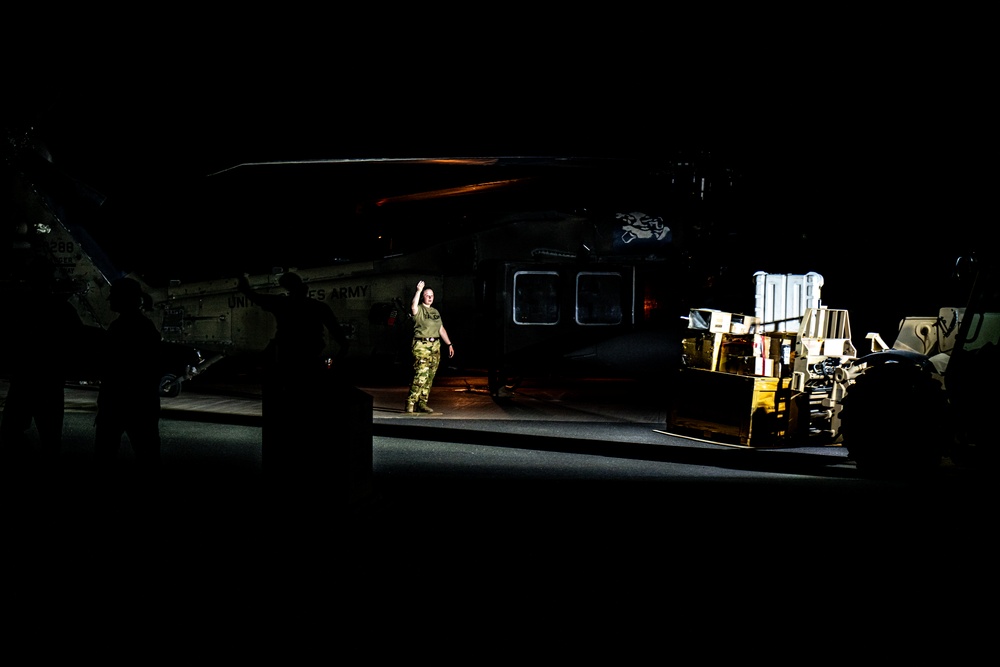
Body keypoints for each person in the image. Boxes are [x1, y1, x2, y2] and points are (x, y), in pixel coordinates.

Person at [236, 271, 350, 480]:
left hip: (287, 360)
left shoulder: (282, 304)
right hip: (309, 360)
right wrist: (339, 356)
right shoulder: (318, 307)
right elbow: (338, 334)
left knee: (284, 403)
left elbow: (254, 296)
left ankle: (284, 452)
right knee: (309, 403)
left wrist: (244, 282)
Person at [0, 258, 85, 469]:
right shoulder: (62, 309)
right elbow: (77, 343)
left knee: (12, 431)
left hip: (25, 378)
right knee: (50, 437)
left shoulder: (19, 307)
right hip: (50, 380)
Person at [93, 277, 164, 475]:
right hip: (141, 403)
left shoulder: (118, 328)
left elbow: (109, 366)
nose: (111, 301)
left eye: (114, 297)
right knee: (148, 456)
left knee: (105, 456)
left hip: (117, 403)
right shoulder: (145, 327)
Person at [406, 280, 454, 414]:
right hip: (421, 345)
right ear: (423, 297)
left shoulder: (435, 312)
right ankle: (411, 402)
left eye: (432, 295)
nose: (430, 297)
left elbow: (441, 329)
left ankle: (422, 403)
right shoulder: (419, 309)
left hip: (435, 346)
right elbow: (413, 307)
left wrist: (449, 344)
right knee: (421, 374)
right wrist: (418, 291)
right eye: (427, 295)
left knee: (430, 376)